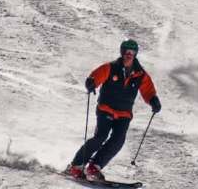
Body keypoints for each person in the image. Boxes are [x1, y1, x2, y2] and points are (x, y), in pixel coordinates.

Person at [66, 40, 162, 183]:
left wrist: (153, 100)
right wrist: (91, 83)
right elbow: (96, 76)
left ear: (135, 54)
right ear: (122, 52)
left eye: (132, 52)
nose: (129, 54)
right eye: (126, 51)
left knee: (118, 140)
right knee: (100, 137)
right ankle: (77, 165)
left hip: (124, 113)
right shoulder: (110, 68)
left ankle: (94, 166)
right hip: (106, 108)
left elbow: (148, 90)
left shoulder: (140, 74)